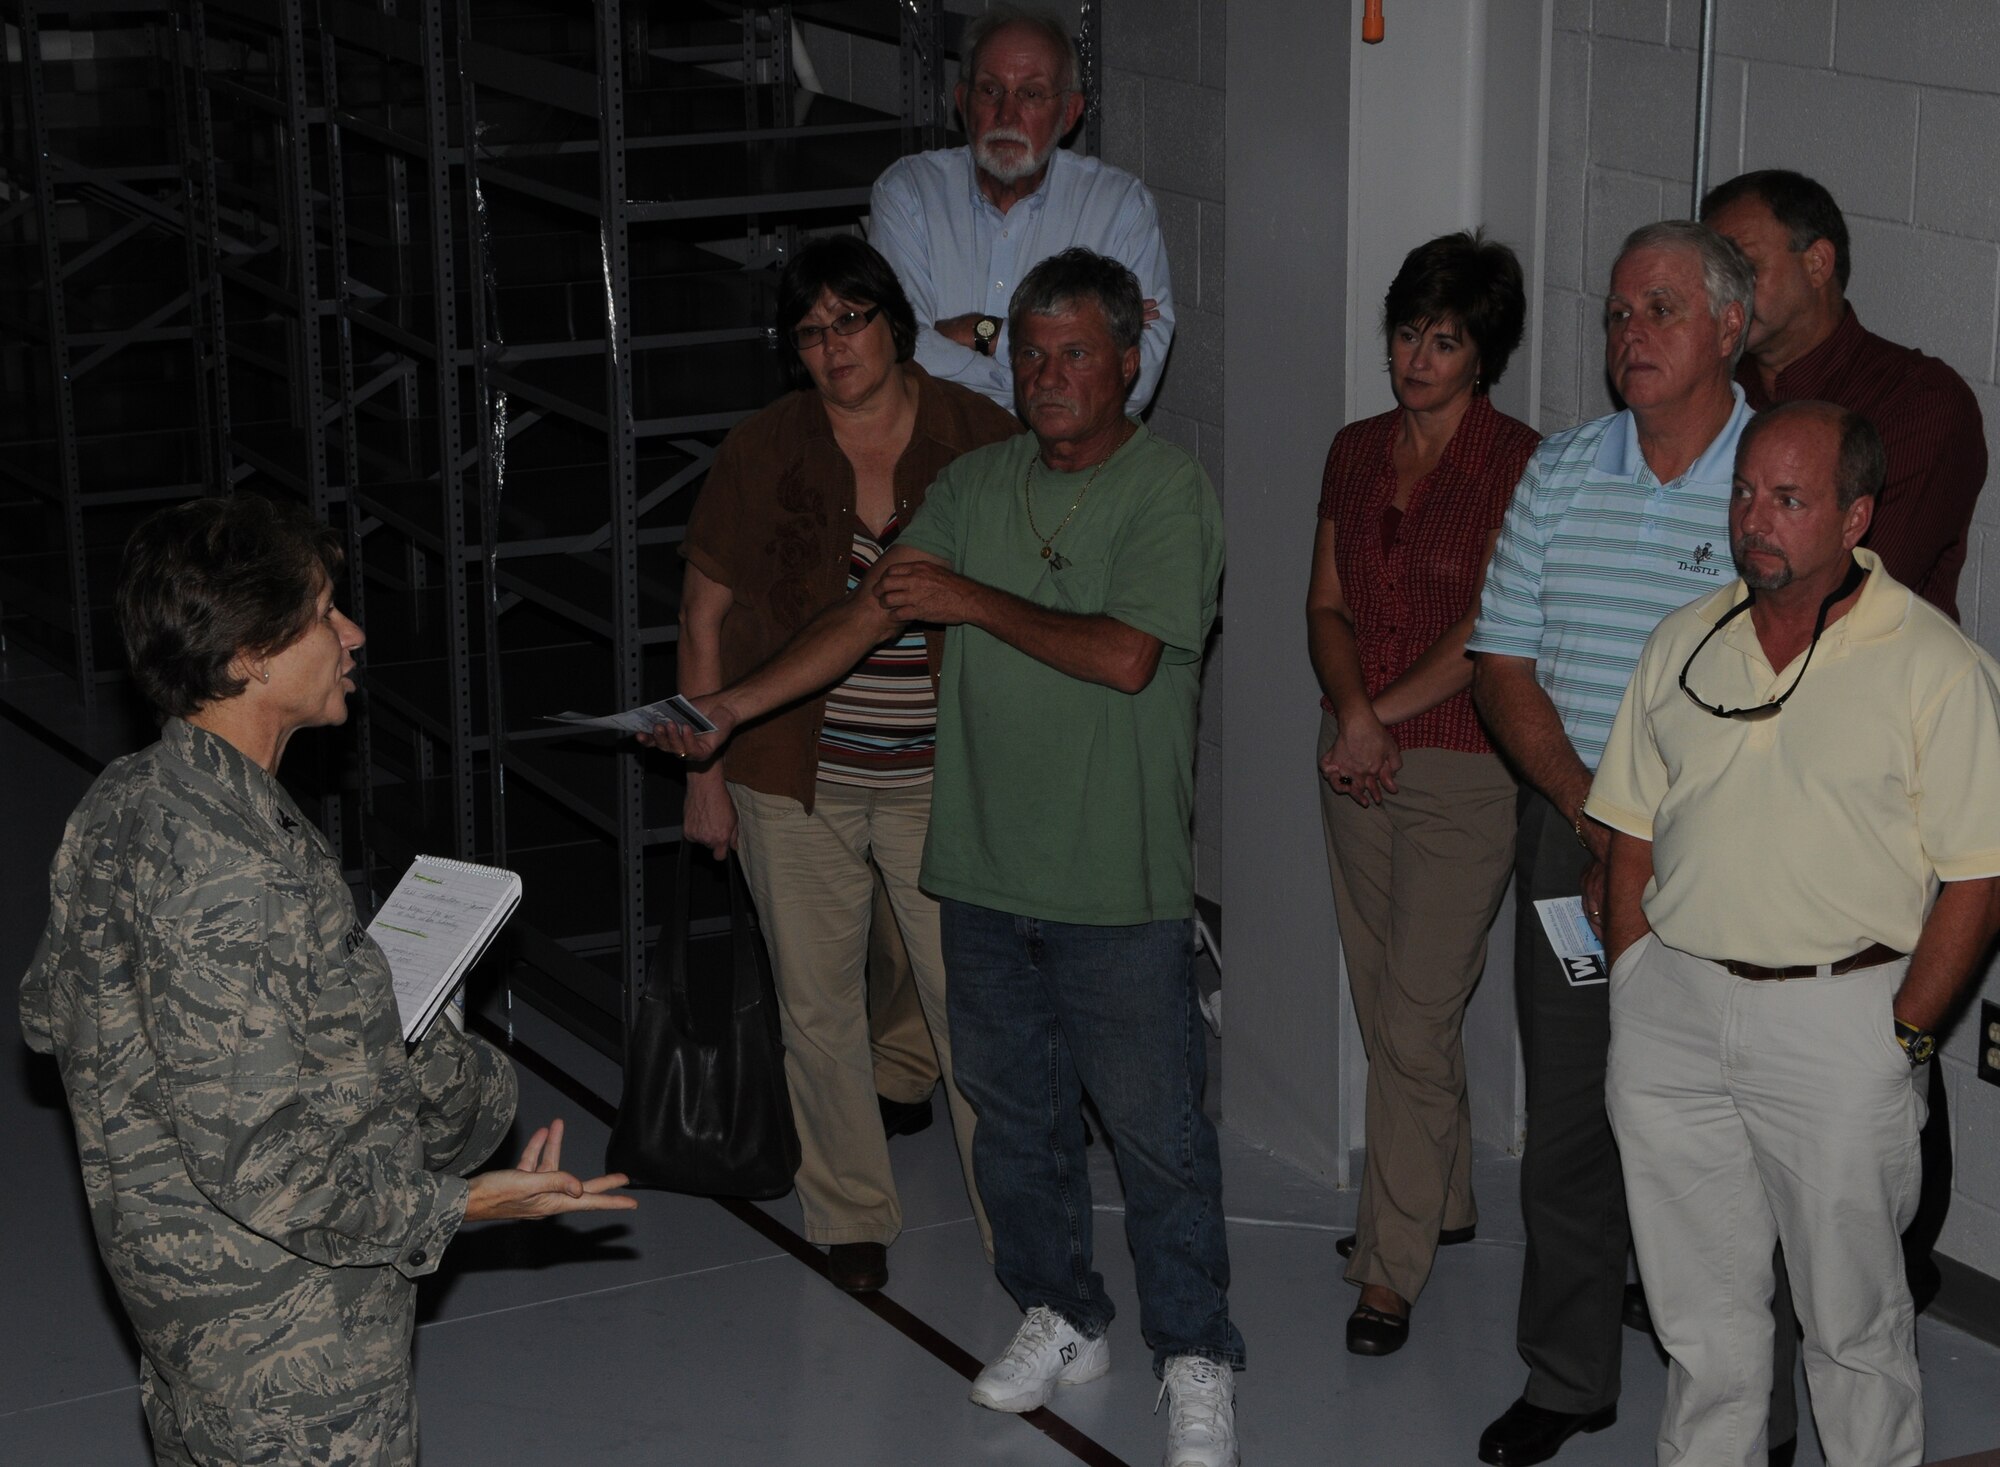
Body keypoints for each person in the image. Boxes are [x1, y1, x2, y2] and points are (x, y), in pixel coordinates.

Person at [651, 248, 1239, 1467]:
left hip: (1111, 883)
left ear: (1130, 359)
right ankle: (1062, 1315)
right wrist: (729, 712)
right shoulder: (973, 484)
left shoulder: (1168, 491)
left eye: (1076, 352)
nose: (1048, 376)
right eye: (1029, 354)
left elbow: (1127, 656)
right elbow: (864, 616)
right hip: (976, 869)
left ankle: (1195, 1356)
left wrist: (969, 603)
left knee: (1154, 1135)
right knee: (1012, 1120)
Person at [19, 496, 635, 1467]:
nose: (352, 633)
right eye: (321, 612)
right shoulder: (233, 872)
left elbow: (51, 1016)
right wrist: (465, 1206)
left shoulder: (126, 799)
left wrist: (332, 1015)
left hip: (188, 1322)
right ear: (249, 657)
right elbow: (267, 1165)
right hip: (292, 1359)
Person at [1588, 401, 2000, 1467]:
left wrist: (1900, 1039)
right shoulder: (1682, 642)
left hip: (1841, 1024)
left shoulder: (1934, 667)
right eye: (1741, 492)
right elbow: (1625, 829)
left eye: (1786, 499)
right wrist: (1635, 976)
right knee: (1700, 1325)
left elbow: (1976, 878)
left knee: (1852, 1330)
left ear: (1854, 514)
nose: (1751, 519)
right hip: (1672, 1013)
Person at [1465, 220, 1779, 1467]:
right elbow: (1499, 664)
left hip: (1726, 854)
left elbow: (1800, 678)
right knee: (1574, 1115)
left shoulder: (1778, 470)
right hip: (1573, 838)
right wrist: (1594, 813)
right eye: (1611, 315)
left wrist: (1652, 826)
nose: (1626, 336)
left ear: (1727, 326)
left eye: (1656, 310)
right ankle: (1567, 1372)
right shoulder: (1559, 469)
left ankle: (1757, 1410)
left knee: (1738, 1136)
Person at [674, 233, 1017, 1293]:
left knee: (971, 1004)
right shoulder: (763, 448)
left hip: (938, 776)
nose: (833, 347)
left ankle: (1019, 1218)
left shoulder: (976, 434)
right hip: (790, 775)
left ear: (895, 323)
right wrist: (703, 774)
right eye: (811, 332)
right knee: (816, 1005)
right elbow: (703, 614)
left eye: (850, 319)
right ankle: (850, 1212)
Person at [1308, 229, 1538, 1356]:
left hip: (1458, 761)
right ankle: (1437, 1199)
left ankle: (1385, 1268)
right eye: (1406, 333)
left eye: (1443, 341)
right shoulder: (1353, 450)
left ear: (1481, 355)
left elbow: (1491, 629)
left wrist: (1372, 715)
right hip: (1356, 756)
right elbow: (1324, 604)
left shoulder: (1519, 462)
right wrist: (1351, 716)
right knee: (1382, 993)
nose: (1416, 357)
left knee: (1414, 1012)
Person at [1701, 169, 1987, 620]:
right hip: (1717, 657)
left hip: (1865, 677)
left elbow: (1856, 588)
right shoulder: (1716, 387)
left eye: (1743, 269)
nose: (1722, 295)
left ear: (1817, 264)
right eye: (1713, 275)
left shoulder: (1918, 399)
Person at [868, 3, 1173, 412]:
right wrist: (1060, 361)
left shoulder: (1119, 209)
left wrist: (982, 334)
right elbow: (899, 350)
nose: (1006, 114)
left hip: (1068, 463)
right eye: (990, 90)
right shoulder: (908, 194)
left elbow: (1134, 382)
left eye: (1031, 94)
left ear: (1069, 113)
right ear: (962, 101)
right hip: (941, 445)